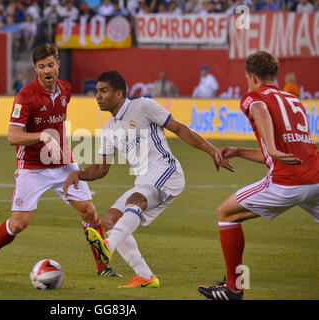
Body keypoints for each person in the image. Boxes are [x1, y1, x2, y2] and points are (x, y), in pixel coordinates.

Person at [0, 43, 121, 278]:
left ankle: (103, 267)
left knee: (88, 211)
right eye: (42, 66)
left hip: (63, 163)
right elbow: (13, 137)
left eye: (51, 64)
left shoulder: (65, 89)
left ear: (58, 64)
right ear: (36, 68)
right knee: (18, 224)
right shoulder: (25, 96)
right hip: (32, 167)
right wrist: (42, 135)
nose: (47, 69)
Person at [63, 70, 234, 288]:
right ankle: (145, 276)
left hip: (166, 170)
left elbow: (180, 129)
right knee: (111, 221)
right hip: (144, 179)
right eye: (96, 91)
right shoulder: (109, 128)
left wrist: (212, 151)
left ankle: (108, 247)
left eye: (103, 91)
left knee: (135, 200)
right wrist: (79, 173)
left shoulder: (143, 106)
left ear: (119, 94)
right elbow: (100, 168)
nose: (97, 96)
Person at [197, 51, 318, 300]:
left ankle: (233, 288)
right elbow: (288, 153)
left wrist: (272, 148)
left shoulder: (254, 97)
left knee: (226, 213)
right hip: (315, 179)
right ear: (276, 74)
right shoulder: (294, 100)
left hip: (286, 183)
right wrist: (240, 151)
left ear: (251, 77)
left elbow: (260, 110)